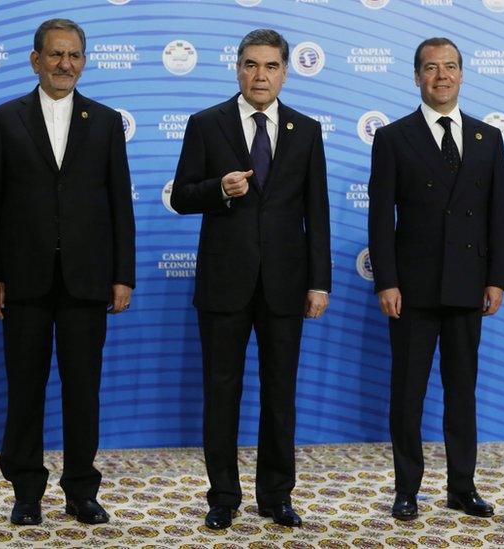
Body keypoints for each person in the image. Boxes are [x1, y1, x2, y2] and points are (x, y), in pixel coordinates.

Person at [0, 18, 135, 526]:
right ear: (36, 60)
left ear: (83, 61)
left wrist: (122, 274)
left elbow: (119, 207)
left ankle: (81, 491)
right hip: (23, 281)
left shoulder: (107, 123)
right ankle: (26, 491)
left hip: (88, 280)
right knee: (24, 387)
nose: (66, 64)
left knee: (83, 388)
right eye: (56, 55)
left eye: (75, 56)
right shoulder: (4, 120)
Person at [170, 28, 331, 530]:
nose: (260, 75)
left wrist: (319, 281)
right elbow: (180, 196)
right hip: (224, 282)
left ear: (285, 71)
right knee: (222, 391)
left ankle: (277, 495)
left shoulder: (305, 130)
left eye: (271, 66)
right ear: (237, 68)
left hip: (286, 283)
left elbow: (317, 213)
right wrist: (218, 188)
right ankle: (223, 496)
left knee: (280, 392)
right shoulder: (206, 124)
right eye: (251, 65)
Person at [367, 37, 504, 521]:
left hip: (469, 285)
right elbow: (380, 220)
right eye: (431, 68)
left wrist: (497, 278)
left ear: (462, 75)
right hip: (411, 289)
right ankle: (407, 488)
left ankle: (462, 487)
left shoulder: (487, 138)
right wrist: (386, 281)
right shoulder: (392, 138)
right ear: (416, 77)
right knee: (407, 393)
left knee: (462, 391)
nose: (441, 76)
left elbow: (499, 215)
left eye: (450, 67)